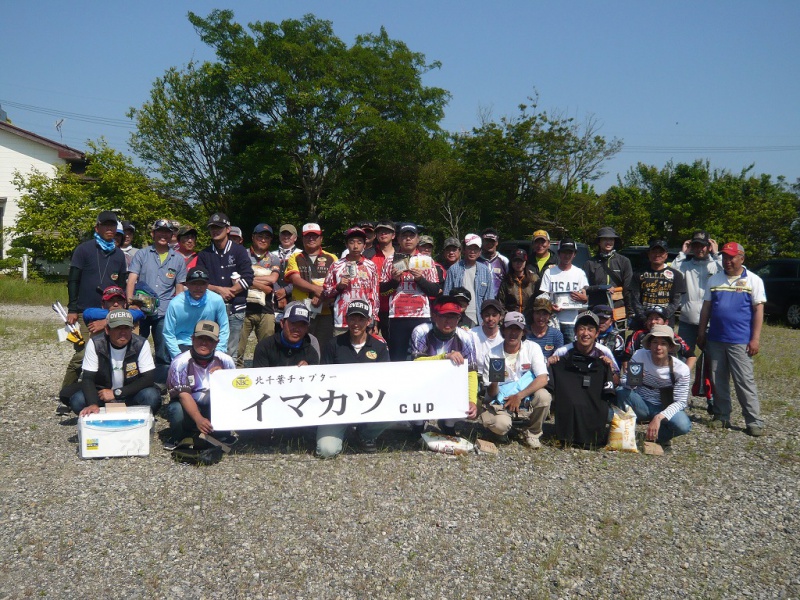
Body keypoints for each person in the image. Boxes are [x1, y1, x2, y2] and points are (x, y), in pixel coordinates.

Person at [697, 242, 766, 436]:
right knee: (718, 380)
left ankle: (754, 421)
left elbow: (758, 310)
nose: (727, 261)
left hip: (740, 341)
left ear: (741, 258)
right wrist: (702, 333)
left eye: (731, 257)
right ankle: (721, 416)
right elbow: (706, 309)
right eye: (725, 257)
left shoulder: (754, 280)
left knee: (744, 381)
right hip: (716, 339)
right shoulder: (715, 279)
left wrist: (755, 339)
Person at [62, 210, 128, 388]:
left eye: (112, 225)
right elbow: (73, 280)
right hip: (85, 311)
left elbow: (121, 287)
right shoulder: (84, 249)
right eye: (105, 225)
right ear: (97, 227)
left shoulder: (119, 255)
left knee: (109, 353)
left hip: (110, 312)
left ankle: (103, 389)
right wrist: (72, 308)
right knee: (81, 355)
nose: (109, 228)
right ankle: (66, 393)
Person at [316, 300, 391, 458]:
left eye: (361, 319)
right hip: (337, 405)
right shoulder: (333, 344)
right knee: (326, 450)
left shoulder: (379, 347)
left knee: (392, 410)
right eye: (352, 318)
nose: (356, 323)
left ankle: (365, 434)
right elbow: (324, 380)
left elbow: (385, 380)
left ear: (369, 321)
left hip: (368, 402)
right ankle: (342, 430)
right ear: (346, 319)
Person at [68, 309, 161, 417]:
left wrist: (117, 393)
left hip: (130, 394)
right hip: (102, 395)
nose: (123, 332)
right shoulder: (95, 344)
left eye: (126, 328)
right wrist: (92, 403)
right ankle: (98, 422)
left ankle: (137, 423)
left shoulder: (141, 344)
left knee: (152, 396)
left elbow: (148, 378)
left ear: (132, 329)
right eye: (117, 328)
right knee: (77, 400)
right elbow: (88, 378)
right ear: (107, 329)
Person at [126, 219, 187, 382]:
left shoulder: (178, 259)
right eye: (160, 231)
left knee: (163, 351)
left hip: (164, 311)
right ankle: (134, 381)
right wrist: (131, 304)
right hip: (141, 310)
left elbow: (179, 287)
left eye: (167, 232)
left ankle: (160, 382)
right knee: (134, 347)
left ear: (171, 235)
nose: (163, 235)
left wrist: (179, 311)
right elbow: (132, 279)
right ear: (153, 234)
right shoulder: (142, 254)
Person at [409, 296, 479, 435]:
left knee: (466, 403)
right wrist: (444, 357)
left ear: (459, 319)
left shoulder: (466, 337)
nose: (449, 321)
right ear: (434, 316)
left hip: (450, 384)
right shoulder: (421, 331)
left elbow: (471, 371)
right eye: (444, 316)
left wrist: (472, 401)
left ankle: (448, 423)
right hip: (423, 382)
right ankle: (418, 423)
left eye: (453, 317)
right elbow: (416, 364)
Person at [615, 325, 692, 450]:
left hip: (665, 406)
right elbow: (623, 382)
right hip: (641, 403)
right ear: (649, 345)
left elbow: (681, 402)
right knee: (621, 392)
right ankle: (625, 433)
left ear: (670, 347)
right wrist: (634, 381)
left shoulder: (681, 369)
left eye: (663, 343)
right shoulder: (640, 355)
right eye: (655, 342)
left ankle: (656, 437)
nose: (658, 347)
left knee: (683, 425)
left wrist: (659, 417)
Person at [547, 310, 616, 447]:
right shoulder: (563, 352)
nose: (586, 333)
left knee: (607, 413)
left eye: (590, 329)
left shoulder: (605, 352)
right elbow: (550, 381)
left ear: (596, 333)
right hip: (570, 405)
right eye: (582, 329)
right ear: (575, 332)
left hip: (594, 404)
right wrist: (549, 364)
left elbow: (616, 382)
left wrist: (610, 369)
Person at [482, 312, 551, 448]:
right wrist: (495, 381)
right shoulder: (492, 353)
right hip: (502, 400)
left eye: (517, 329)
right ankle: (503, 431)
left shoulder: (532, 348)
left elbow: (543, 378)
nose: (513, 333)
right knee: (500, 425)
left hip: (525, 397)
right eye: (509, 328)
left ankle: (533, 433)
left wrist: (519, 396)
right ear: (503, 330)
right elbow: (490, 394)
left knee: (544, 396)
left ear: (523, 332)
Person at [164, 320, 236, 449]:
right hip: (188, 404)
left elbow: (235, 390)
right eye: (200, 338)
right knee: (176, 410)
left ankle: (222, 434)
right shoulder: (180, 362)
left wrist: (224, 378)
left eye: (209, 339)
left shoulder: (226, 360)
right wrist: (198, 419)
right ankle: (179, 436)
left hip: (213, 404)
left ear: (216, 342)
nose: (204, 342)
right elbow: (183, 395)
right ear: (192, 339)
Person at [196, 212, 254, 363]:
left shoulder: (239, 251)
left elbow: (248, 277)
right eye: (212, 228)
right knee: (207, 348)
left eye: (219, 227)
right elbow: (199, 282)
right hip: (212, 308)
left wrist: (231, 291)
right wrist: (219, 290)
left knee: (231, 352)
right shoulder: (204, 254)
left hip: (236, 309)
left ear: (228, 229)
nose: (215, 231)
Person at [380, 223, 441, 361]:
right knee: (397, 357)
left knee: (421, 356)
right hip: (396, 316)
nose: (408, 239)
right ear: (398, 239)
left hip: (421, 316)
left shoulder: (426, 261)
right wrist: (394, 281)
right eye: (404, 236)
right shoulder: (389, 260)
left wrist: (420, 279)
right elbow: (383, 291)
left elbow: (435, 291)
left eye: (411, 236)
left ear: (417, 239)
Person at [284, 223, 338, 349]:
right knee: (300, 346)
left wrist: (323, 298)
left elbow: (336, 285)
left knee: (324, 347)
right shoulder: (295, 257)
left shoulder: (332, 258)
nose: (311, 239)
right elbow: (295, 279)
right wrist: (316, 289)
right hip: (301, 311)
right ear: (302, 239)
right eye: (308, 236)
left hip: (325, 311)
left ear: (321, 238)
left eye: (315, 236)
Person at [322, 227, 380, 336]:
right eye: (352, 242)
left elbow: (375, 295)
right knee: (341, 351)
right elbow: (325, 292)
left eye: (359, 242)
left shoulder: (371, 266)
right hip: (342, 320)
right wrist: (338, 287)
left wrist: (374, 320)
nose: (355, 246)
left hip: (364, 319)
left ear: (364, 245)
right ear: (346, 244)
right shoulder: (336, 265)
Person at [163, 267, 230, 360]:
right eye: (194, 283)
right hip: (182, 343)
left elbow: (224, 327)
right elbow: (168, 332)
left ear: (207, 285)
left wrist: (219, 351)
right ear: (187, 285)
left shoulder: (216, 300)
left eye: (202, 284)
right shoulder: (175, 304)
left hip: (207, 342)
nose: (198, 288)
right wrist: (177, 356)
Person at [237, 223, 280, 367]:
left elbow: (273, 279)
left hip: (266, 308)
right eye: (260, 236)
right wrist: (262, 285)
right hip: (243, 307)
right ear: (253, 237)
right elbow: (237, 278)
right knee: (238, 349)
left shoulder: (274, 258)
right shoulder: (242, 254)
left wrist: (249, 279)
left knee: (267, 349)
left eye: (267, 237)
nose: (263, 240)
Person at [672, 230, 721, 352]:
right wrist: (682, 254)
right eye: (696, 245)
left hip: (711, 323)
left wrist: (717, 254)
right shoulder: (685, 266)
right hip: (687, 321)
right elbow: (670, 274)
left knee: (711, 359)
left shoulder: (716, 265)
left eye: (702, 246)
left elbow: (729, 273)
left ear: (709, 247)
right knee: (683, 355)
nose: (699, 249)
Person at [538, 238, 589, 344]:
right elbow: (543, 297)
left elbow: (585, 299)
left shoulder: (579, 273)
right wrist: (550, 307)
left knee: (569, 353)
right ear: (559, 253)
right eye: (564, 252)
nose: (567, 255)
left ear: (574, 254)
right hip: (552, 321)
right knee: (551, 352)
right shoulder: (549, 272)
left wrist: (584, 299)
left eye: (570, 252)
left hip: (572, 322)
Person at [631, 238, 686, 328]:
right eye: (654, 252)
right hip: (642, 323)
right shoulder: (638, 274)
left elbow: (676, 302)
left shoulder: (676, 275)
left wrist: (662, 319)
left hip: (665, 323)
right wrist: (645, 319)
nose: (657, 255)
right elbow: (634, 300)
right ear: (649, 254)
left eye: (661, 252)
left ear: (666, 255)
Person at [443, 233, 492, 330]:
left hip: (479, 319)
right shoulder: (453, 269)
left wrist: (487, 318)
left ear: (480, 252)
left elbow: (489, 297)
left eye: (475, 249)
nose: (472, 252)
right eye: (469, 248)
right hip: (457, 318)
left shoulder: (485, 270)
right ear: (464, 250)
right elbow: (446, 295)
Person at [621, 305, 694, 369]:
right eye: (650, 318)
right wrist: (629, 376)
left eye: (657, 319)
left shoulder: (673, 336)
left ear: (666, 322)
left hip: (667, 376)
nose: (653, 322)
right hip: (643, 375)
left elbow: (691, 356)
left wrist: (684, 373)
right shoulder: (638, 335)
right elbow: (626, 357)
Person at [583, 226, 633, 318]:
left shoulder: (624, 261)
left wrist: (629, 310)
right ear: (599, 242)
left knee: (618, 332)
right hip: (596, 307)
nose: (608, 242)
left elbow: (628, 288)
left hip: (618, 307)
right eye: (605, 239)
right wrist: (600, 288)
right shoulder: (590, 263)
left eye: (611, 239)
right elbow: (584, 288)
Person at [252, 302, 321, 368]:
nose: (297, 329)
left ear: (307, 329)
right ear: (282, 323)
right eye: (293, 323)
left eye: (302, 325)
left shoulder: (311, 353)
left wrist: (308, 371)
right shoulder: (265, 347)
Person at [369, 220, 396, 339]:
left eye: (387, 232)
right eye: (380, 232)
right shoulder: (369, 255)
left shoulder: (400, 255)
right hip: (372, 307)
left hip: (393, 308)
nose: (383, 234)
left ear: (393, 235)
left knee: (392, 344)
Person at [270, 224, 302, 322]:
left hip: (294, 296)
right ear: (279, 237)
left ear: (295, 237)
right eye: (283, 234)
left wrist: (285, 291)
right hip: (274, 298)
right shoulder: (271, 255)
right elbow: (268, 275)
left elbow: (302, 278)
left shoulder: (301, 254)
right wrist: (278, 293)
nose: (286, 237)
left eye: (289, 235)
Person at [470, 299, 505, 381]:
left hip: (498, 378)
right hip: (476, 375)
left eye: (494, 315)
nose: (490, 319)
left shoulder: (505, 336)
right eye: (487, 315)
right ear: (481, 316)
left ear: (500, 316)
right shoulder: (471, 334)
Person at [497, 248, 538, 314]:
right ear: (511, 263)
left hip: (529, 317)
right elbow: (501, 303)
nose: (518, 264)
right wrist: (505, 316)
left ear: (525, 262)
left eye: (521, 261)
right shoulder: (506, 280)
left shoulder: (534, 279)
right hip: (512, 318)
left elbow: (539, 300)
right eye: (515, 261)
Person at [525, 295, 564, 359]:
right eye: (538, 313)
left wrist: (553, 359)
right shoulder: (524, 333)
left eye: (544, 314)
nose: (541, 318)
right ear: (533, 314)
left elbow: (559, 358)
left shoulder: (557, 335)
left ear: (550, 316)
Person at [478, 227, 509, 297]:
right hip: (480, 301)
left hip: (498, 302)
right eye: (486, 241)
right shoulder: (476, 260)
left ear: (497, 243)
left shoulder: (504, 261)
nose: (489, 244)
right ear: (482, 242)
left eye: (492, 241)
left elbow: (510, 282)